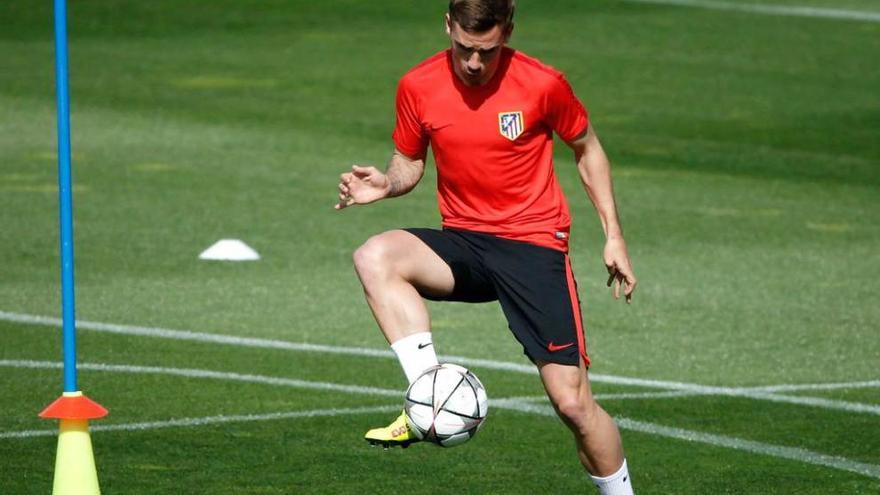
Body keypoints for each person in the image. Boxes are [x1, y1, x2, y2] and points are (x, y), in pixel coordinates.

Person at [335, 1, 637, 493]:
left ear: (508, 32)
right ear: (448, 26)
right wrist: (386, 185)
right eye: (465, 49)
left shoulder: (542, 83)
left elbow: (588, 148)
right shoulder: (418, 84)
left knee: (573, 405)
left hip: (534, 247)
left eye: (487, 52)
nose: (474, 63)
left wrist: (614, 235)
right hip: (465, 244)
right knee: (375, 256)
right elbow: (408, 162)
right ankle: (427, 396)